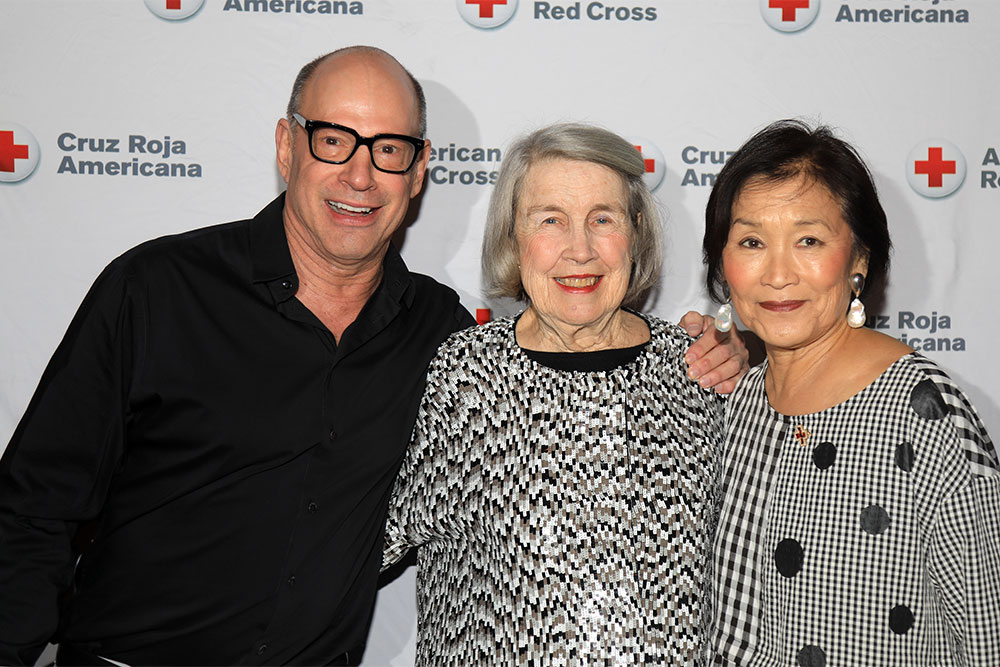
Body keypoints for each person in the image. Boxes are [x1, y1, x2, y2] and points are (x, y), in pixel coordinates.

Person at [0, 49, 744, 666]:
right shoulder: (158, 289)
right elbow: (32, 506)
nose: (361, 174)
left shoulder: (439, 337)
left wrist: (733, 356)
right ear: (288, 145)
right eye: (333, 139)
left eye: (388, 150)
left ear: (418, 173)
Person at [382, 123, 741, 666]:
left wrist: (759, 355)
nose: (580, 249)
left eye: (603, 219)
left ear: (636, 233)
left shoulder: (700, 371)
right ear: (513, 237)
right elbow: (351, 535)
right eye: (551, 220)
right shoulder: (459, 376)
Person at [705, 120, 1000, 666]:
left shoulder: (924, 411)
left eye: (809, 240)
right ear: (724, 267)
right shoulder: (734, 403)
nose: (777, 273)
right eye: (751, 241)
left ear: (859, 261)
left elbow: (989, 633)